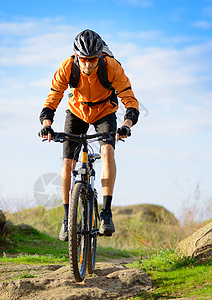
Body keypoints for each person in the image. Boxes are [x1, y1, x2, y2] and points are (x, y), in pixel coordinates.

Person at [39, 29, 139, 241]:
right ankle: (67, 220)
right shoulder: (68, 67)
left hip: (105, 112)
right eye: (83, 60)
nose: (87, 64)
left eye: (92, 59)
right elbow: (53, 97)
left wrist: (126, 125)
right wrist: (47, 124)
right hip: (77, 112)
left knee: (108, 151)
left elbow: (129, 98)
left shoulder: (111, 67)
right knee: (67, 162)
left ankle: (106, 213)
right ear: (76, 57)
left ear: (99, 56)